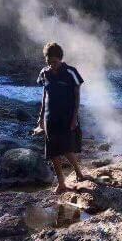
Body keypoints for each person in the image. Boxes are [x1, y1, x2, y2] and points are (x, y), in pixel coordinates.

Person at [36, 42, 86, 194]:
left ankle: (79, 172)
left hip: (66, 117)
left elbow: (77, 97)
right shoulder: (44, 73)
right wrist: (40, 120)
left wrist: (74, 118)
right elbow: (44, 96)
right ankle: (61, 183)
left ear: (61, 59)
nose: (52, 65)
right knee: (53, 152)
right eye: (49, 62)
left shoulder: (71, 72)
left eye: (54, 62)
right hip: (49, 118)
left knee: (66, 148)